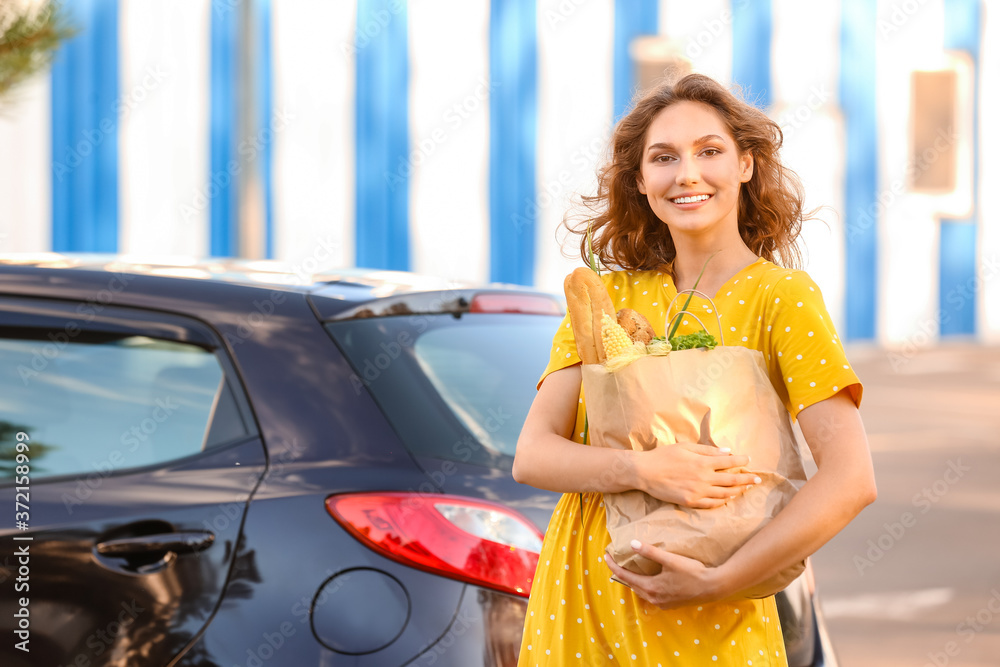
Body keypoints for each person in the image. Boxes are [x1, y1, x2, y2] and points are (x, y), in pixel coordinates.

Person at [512, 73, 877, 665]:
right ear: (640, 180)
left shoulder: (781, 298)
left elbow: (851, 479)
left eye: (710, 151)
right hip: (582, 601)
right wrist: (644, 470)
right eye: (664, 158)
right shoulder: (607, 297)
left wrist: (722, 580)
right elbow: (532, 454)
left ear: (746, 166)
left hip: (709, 612)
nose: (686, 174)